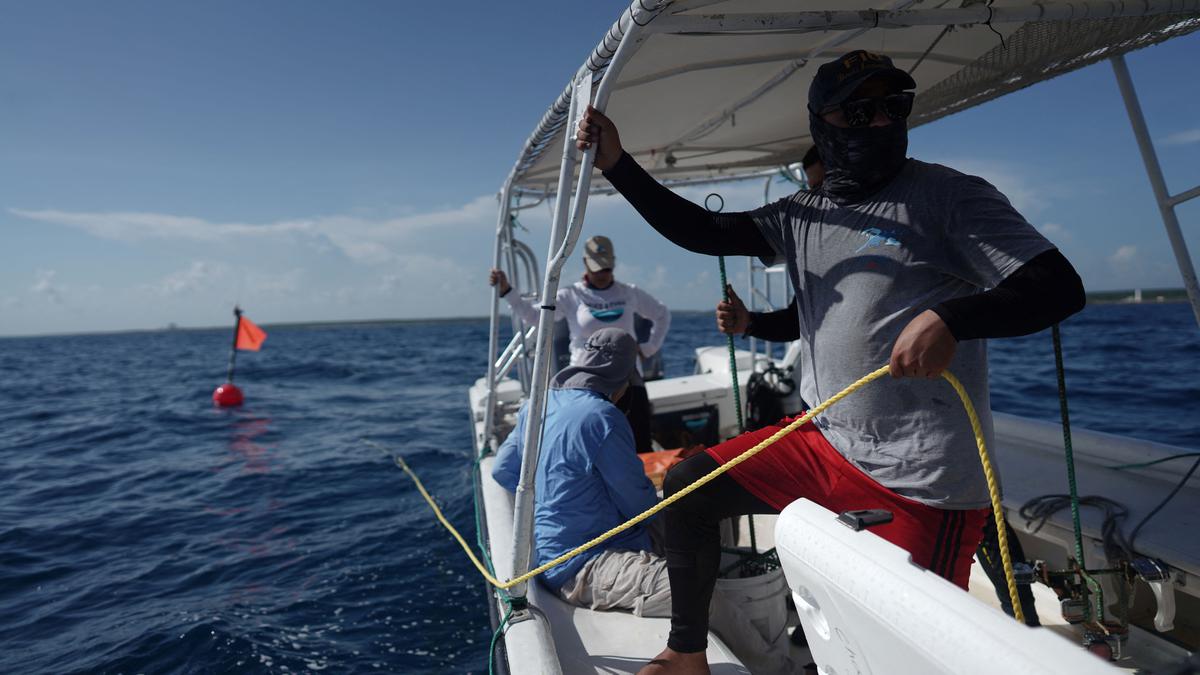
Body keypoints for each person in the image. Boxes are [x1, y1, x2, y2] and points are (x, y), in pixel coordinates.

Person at [575, 49, 1084, 673]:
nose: (878, 124)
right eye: (859, 111)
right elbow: (704, 232)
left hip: (921, 482)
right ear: (822, 125)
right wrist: (618, 166)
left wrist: (956, 317)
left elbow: (1059, 286)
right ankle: (687, 653)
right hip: (825, 442)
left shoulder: (948, 197)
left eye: (893, 108)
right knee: (688, 489)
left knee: (906, 653)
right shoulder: (803, 214)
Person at [717, 147, 1041, 628]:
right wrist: (749, 324)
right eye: (812, 185)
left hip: (937, 439)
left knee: (985, 530)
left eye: (825, 180)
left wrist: (953, 320)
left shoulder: (917, 221)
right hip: (862, 443)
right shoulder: (822, 242)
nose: (820, 194)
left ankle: (1025, 628)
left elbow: (1032, 287)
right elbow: (797, 322)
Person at [491, 327, 669, 616]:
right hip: (586, 564)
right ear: (623, 378)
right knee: (693, 585)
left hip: (550, 553)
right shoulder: (604, 417)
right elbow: (640, 506)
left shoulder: (535, 405)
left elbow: (503, 471)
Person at [490, 235, 670, 453]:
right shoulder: (570, 295)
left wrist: (649, 348)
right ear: (585, 263)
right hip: (586, 384)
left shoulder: (628, 292)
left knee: (639, 442)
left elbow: (662, 314)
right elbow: (534, 316)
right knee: (592, 445)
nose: (602, 274)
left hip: (628, 379)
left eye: (606, 269)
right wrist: (508, 292)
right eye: (597, 268)